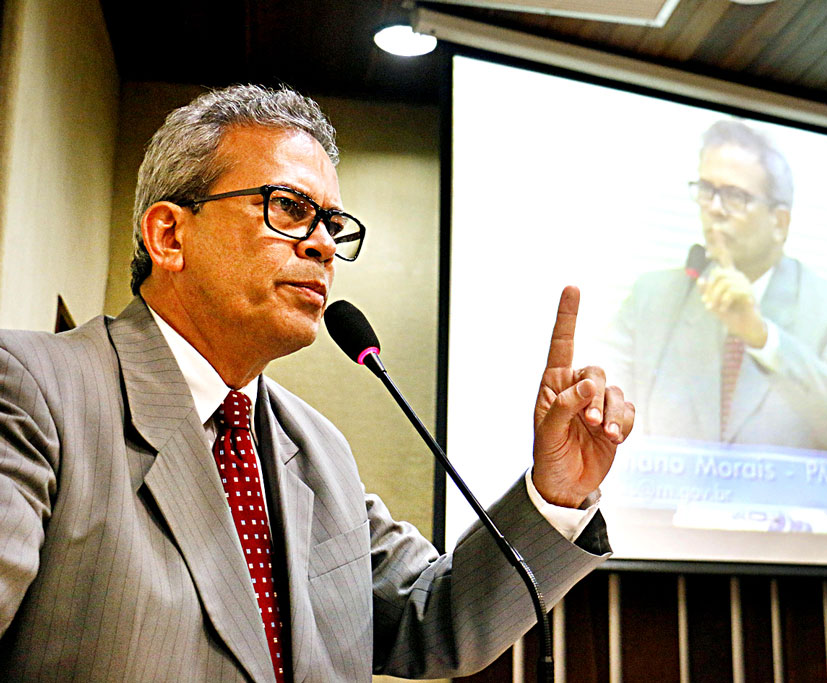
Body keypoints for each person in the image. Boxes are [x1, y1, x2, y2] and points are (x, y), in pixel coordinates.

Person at [0, 85, 634, 681]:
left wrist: (556, 491)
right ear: (170, 235)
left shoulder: (319, 448)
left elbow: (434, 617)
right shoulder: (34, 391)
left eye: (333, 222)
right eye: (290, 209)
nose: (325, 245)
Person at [605, 118, 827, 454]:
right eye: (707, 190)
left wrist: (763, 338)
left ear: (779, 223)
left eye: (734, 196)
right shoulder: (653, 298)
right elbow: (603, 407)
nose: (714, 209)